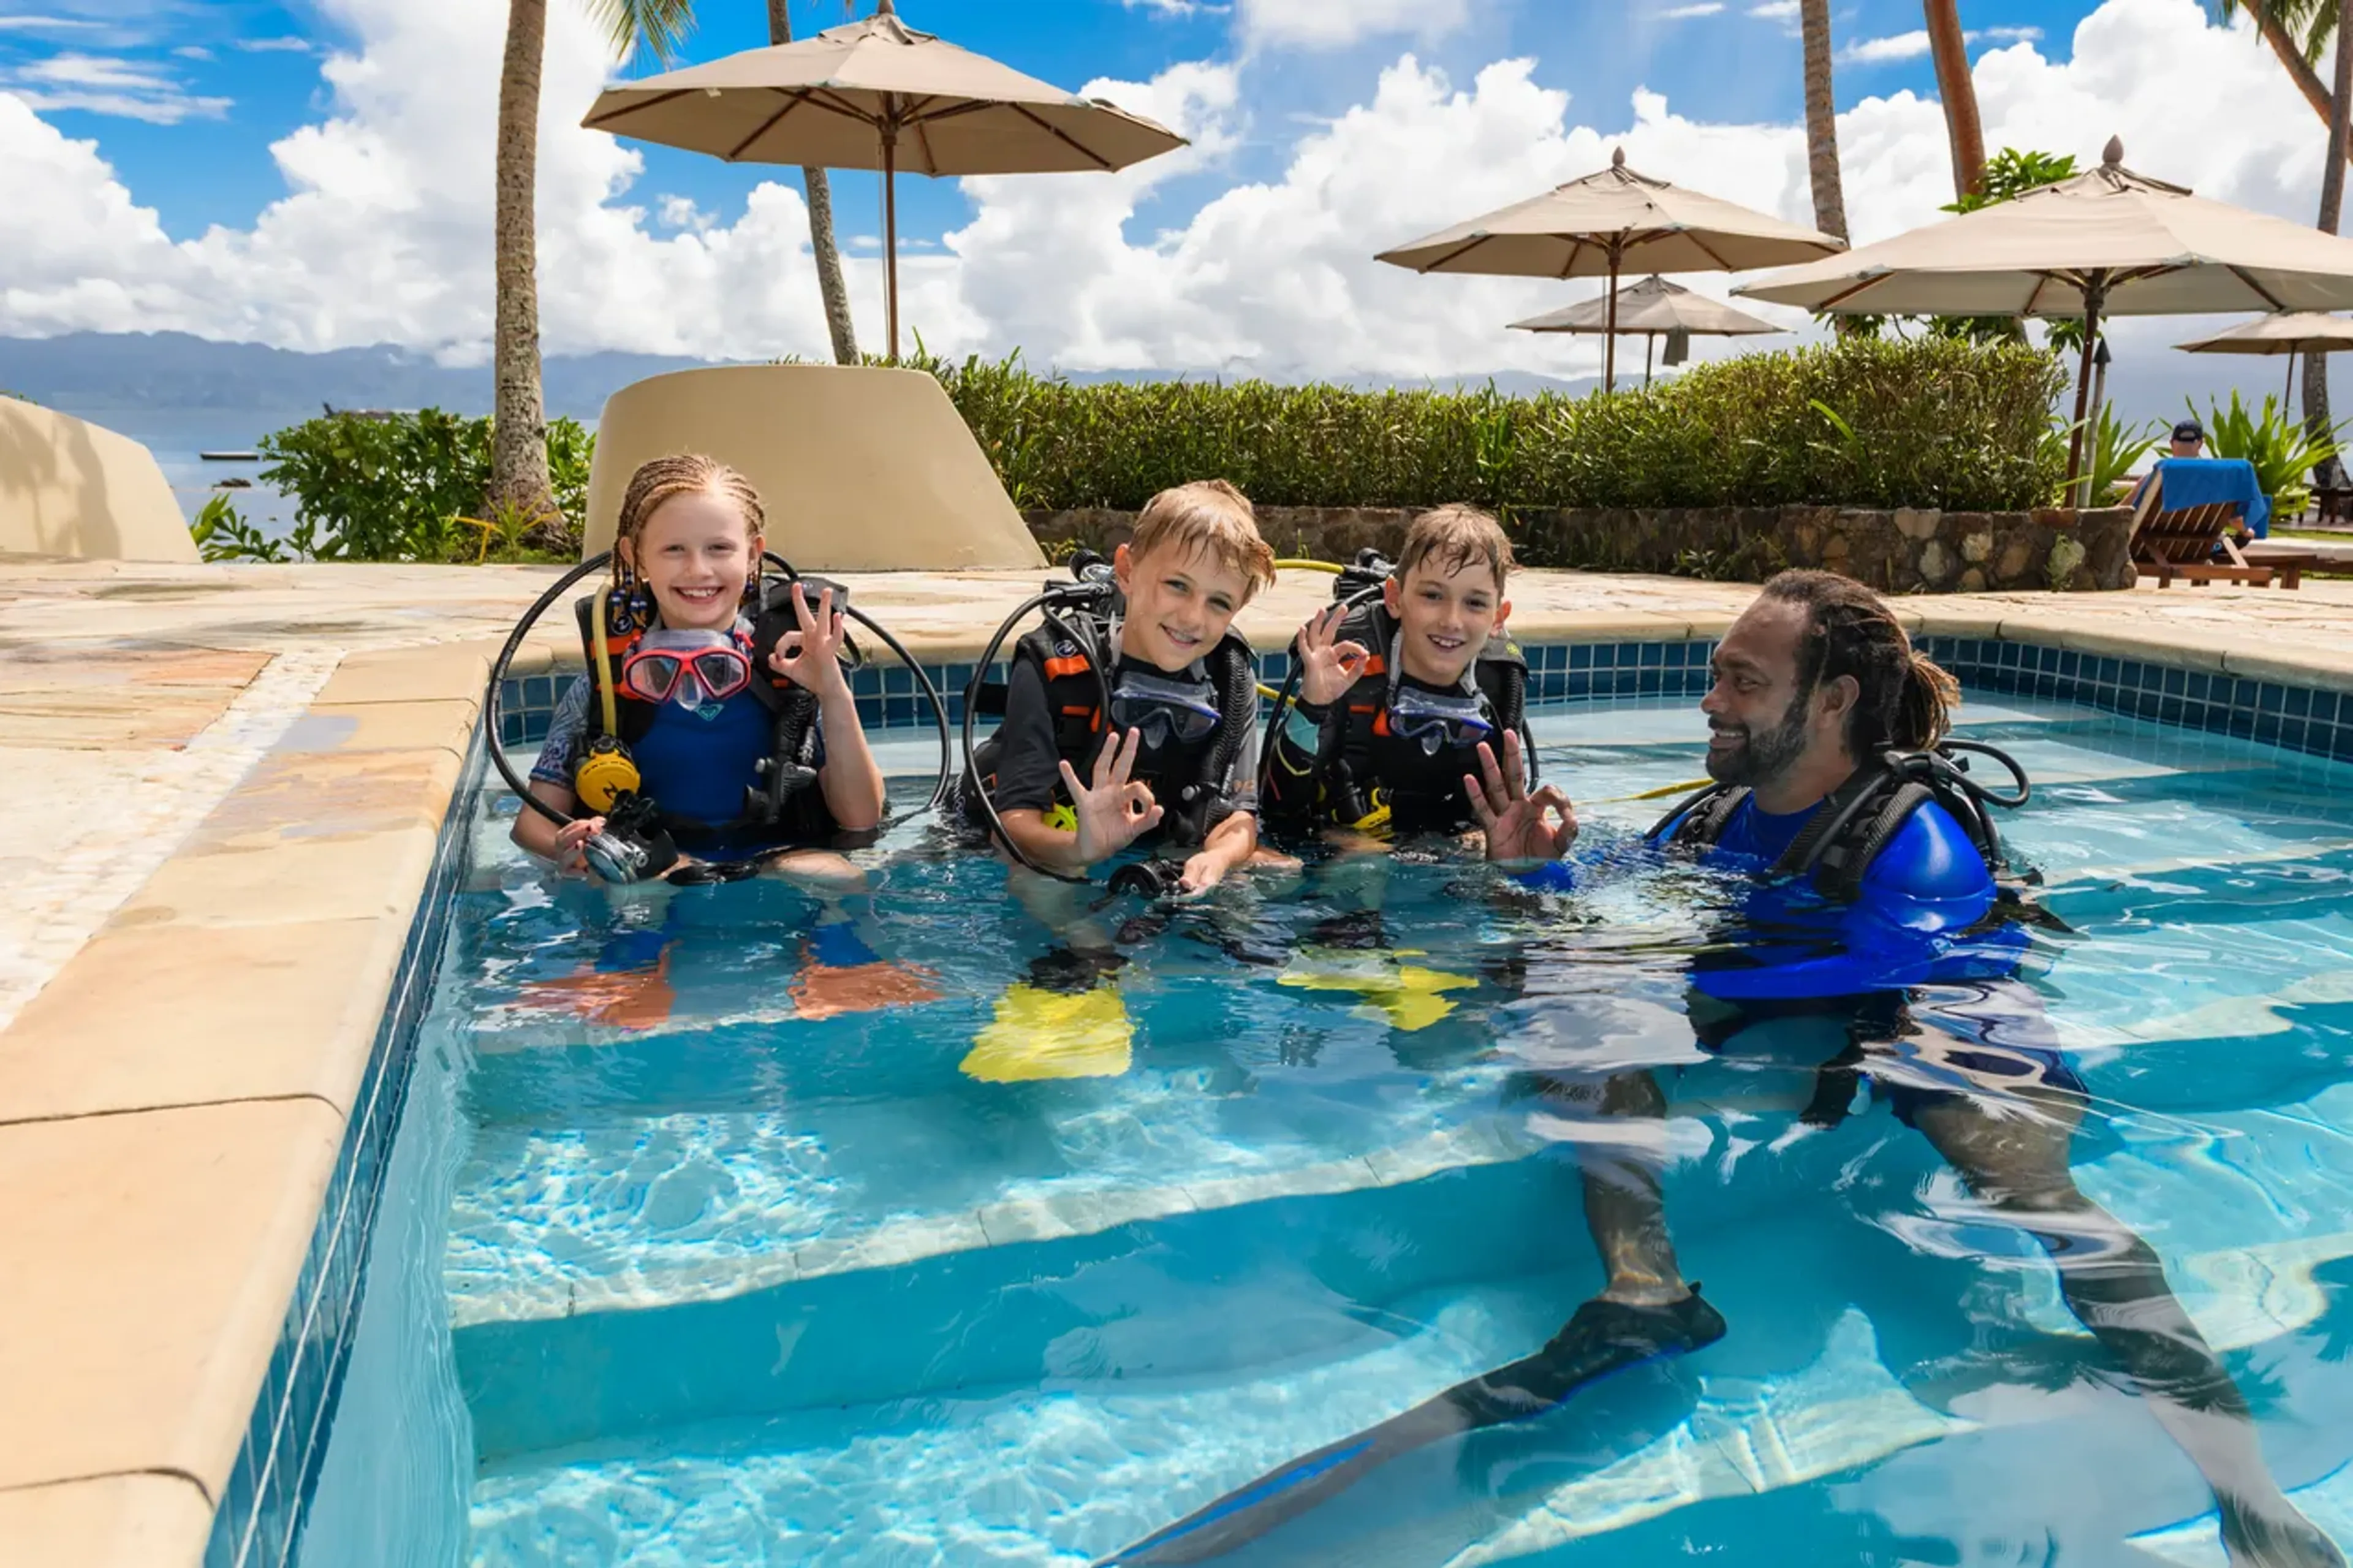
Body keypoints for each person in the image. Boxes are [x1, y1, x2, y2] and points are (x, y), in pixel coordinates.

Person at [1104, 569, 2343, 1568]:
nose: (1712, 702)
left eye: (1743, 682)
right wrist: (1525, 874)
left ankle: (2239, 1477)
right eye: (1714, 676)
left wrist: (1677, 982)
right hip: (1778, 982)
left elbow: (1898, 962)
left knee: (2039, 1189)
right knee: (1579, 1004)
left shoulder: (1910, 840)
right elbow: (1601, 906)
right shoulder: (1717, 815)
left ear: (1838, 700)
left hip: (1940, 1006)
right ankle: (1645, 1288)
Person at [513, 453, 884, 887]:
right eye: (674, 549)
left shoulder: (794, 667)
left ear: (753, 554)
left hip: (780, 860)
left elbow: (861, 820)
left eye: (719, 548)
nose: (698, 570)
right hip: (657, 871)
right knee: (611, 888)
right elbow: (531, 826)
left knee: (838, 877)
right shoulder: (607, 683)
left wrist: (833, 691)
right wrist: (576, 842)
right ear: (635, 558)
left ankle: (827, 957)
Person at [960, 478, 1278, 894]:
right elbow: (1013, 826)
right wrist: (1081, 849)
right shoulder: (1057, 663)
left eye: (1219, 602)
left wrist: (1217, 858)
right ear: (1127, 572)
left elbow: (1239, 815)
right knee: (1042, 883)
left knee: (1279, 874)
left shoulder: (1231, 676)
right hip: (1024, 843)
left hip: (1146, 848)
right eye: (1177, 585)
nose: (1193, 618)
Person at [1264, 504, 1567, 858]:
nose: (1452, 620)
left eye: (1475, 603)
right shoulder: (1351, 667)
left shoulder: (1500, 679)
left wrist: (1509, 856)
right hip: (1344, 852)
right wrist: (1312, 706)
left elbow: (1503, 810)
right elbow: (1278, 813)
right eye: (1432, 596)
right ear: (1394, 598)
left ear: (1498, 618)